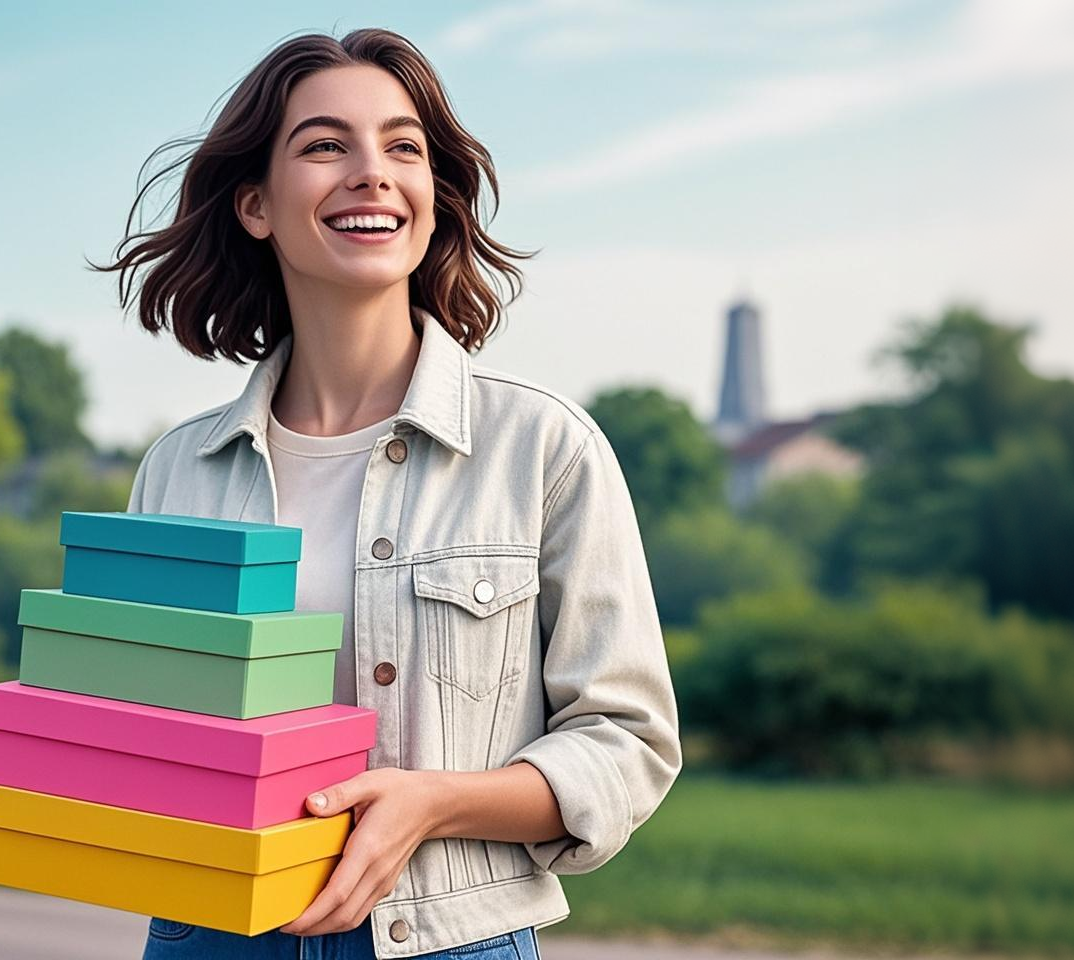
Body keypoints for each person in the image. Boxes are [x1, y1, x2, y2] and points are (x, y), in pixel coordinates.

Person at [93, 27, 681, 960]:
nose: (372, 172)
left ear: (431, 199)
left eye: (402, 147)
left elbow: (627, 741)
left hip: (448, 942)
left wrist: (433, 803)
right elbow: (133, 731)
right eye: (326, 145)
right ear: (255, 204)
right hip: (210, 935)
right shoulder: (177, 469)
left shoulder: (541, 448)